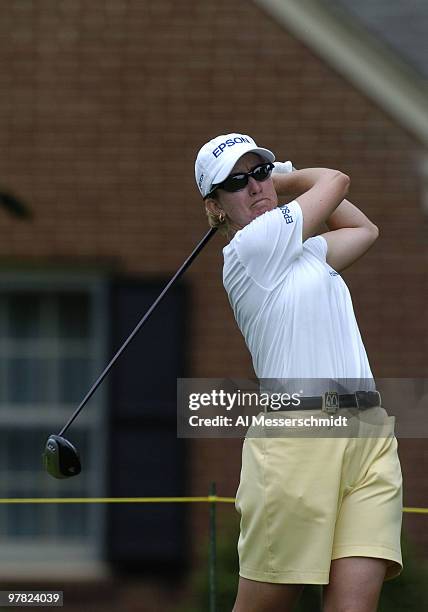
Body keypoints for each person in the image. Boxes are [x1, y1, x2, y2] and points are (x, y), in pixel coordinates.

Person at [194, 133, 403, 612]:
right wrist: (284, 180)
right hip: (298, 440)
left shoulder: (306, 254)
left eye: (259, 173)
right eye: (237, 182)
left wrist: (272, 186)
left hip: (368, 435)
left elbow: (364, 230)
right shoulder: (249, 248)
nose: (254, 187)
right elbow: (335, 181)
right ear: (217, 207)